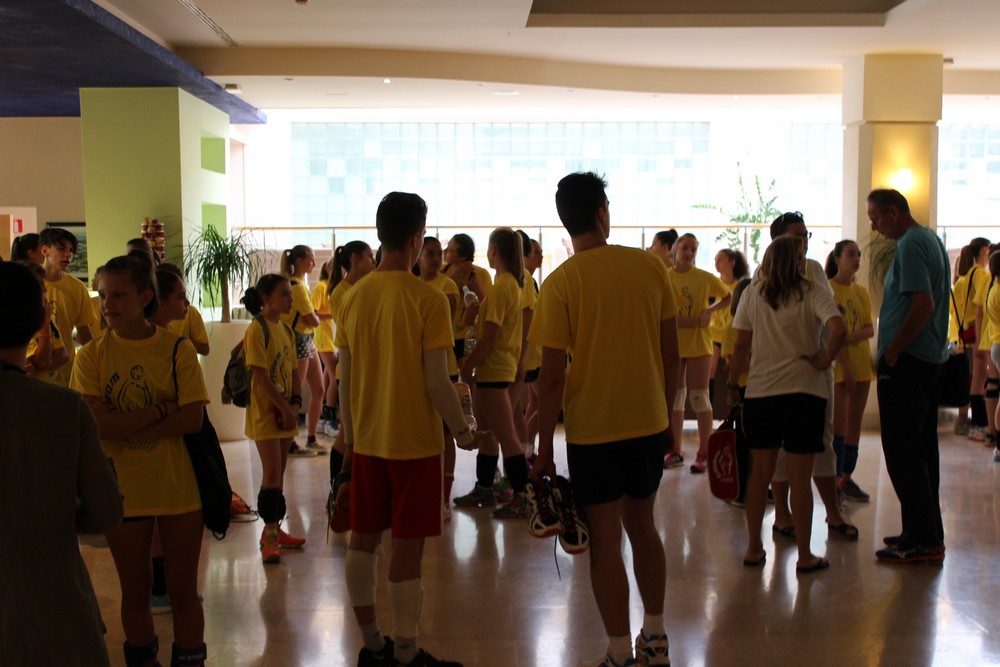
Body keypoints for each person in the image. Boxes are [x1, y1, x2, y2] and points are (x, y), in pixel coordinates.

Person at [530, 173, 679, 667]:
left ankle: (618, 652)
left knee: (606, 540)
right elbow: (671, 355)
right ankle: (654, 640)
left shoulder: (560, 284)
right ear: (601, 214)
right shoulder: (650, 268)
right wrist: (668, 418)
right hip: (647, 421)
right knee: (644, 527)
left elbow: (551, 378)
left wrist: (543, 449)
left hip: (592, 431)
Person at [337, 191, 487, 667]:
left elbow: (345, 379)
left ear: (380, 233)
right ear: (418, 237)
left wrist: (350, 438)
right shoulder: (428, 299)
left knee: (363, 541)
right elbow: (437, 382)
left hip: (368, 441)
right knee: (406, 548)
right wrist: (463, 432)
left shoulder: (352, 298)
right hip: (416, 446)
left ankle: (372, 645)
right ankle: (405, 652)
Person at [70, 255, 209, 667]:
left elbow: (192, 419)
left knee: (183, 592)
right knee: (135, 593)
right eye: (103, 295)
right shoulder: (91, 355)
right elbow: (97, 427)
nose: (107, 305)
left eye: (118, 295)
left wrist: (124, 425)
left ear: (145, 297)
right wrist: (159, 411)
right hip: (122, 492)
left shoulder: (178, 349)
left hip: (178, 488)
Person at [0, 262, 123, 667]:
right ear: (40, 318)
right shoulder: (65, 409)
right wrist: (51, 512)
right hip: (55, 609)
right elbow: (105, 509)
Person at [728, 236, 846, 574]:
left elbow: (740, 345)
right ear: (796, 261)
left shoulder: (753, 293)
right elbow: (838, 329)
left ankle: (754, 548)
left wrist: (733, 385)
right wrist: (824, 359)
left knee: (759, 475)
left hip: (761, 394)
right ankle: (805, 555)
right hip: (805, 394)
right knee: (799, 477)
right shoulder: (813, 291)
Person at [867, 188, 950, 564]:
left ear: (895, 212)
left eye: (876, 218)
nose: (875, 227)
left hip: (910, 361)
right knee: (921, 450)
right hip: (927, 359)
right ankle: (921, 531)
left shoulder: (912, 244)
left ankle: (924, 539)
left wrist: (894, 350)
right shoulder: (929, 239)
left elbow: (923, 304)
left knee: (903, 452)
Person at [764, 213, 856, 541]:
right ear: (778, 240)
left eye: (806, 235)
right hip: (776, 374)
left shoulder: (814, 270)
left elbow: (832, 323)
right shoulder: (765, 274)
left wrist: (829, 359)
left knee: (823, 442)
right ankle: (783, 514)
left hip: (815, 373)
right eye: (796, 235)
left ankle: (833, 512)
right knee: (780, 448)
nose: (803, 241)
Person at [455, 228, 531, 519]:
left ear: (495, 250)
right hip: (495, 369)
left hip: (495, 369)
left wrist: (467, 366)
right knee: (487, 434)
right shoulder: (507, 285)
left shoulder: (503, 287)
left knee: (506, 435)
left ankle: (523, 496)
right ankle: (485, 488)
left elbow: (490, 336)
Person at [240, 274, 308, 563]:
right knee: (270, 471)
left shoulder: (287, 331)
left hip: (284, 414)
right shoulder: (257, 329)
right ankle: (268, 536)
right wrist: (282, 408)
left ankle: (275, 529)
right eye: (284, 294)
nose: (291, 300)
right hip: (265, 414)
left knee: (278, 474)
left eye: (290, 294)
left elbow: (293, 372)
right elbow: (260, 376)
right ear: (266, 299)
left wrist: (295, 405)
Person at [664, 233, 731, 473]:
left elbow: (728, 297)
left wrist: (709, 311)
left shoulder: (704, 277)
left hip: (699, 345)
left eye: (693, 249)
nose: (689, 253)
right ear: (675, 249)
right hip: (675, 345)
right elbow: (667, 316)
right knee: (676, 398)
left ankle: (704, 451)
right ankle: (675, 449)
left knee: (699, 397)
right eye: (685, 248)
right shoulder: (665, 277)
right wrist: (693, 320)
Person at [325, 240, 375, 530]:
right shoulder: (342, 292)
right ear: (355, 259)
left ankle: (344, 494)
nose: (373, 262)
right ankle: (339, 493)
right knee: (347, 435)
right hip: (350, 372)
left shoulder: (358, 288)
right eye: (369, 256)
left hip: (362, 370)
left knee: (350, 434)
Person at [415, 236, 461, 517]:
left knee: (445, 434)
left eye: (438, 253)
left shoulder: (447, 286)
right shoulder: (413, 286)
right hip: (417, 370)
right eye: (430, 253)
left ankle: (444, 498)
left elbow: (446, 327)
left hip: (446, 368)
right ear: (418, 255)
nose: (435, 259)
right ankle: (425, 492)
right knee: (422, 431)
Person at [825, 240, 875, 502]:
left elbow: (869, 329)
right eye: (851, 254)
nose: (856, 259)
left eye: (858, 255)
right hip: (840, 367)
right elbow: (831, 335)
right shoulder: (828, 289)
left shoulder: (861, 292)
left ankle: (847, 476)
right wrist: (845, 367)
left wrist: (847, 335)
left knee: (856, 420)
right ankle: (834, 479)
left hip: (862, 364)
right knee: (840, 423)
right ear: (837, 258)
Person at [280, 244, 326, 456]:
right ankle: (290, 441)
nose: (314, 264)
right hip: (299, 340)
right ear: (299, 261)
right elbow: (312, 319)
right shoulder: (297, 287)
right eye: (311, 259)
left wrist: (314, 318)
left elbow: (312, 317)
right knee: (295, 392)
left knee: (319, 389)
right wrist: (315, 318)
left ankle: (311, 438)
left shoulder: (299, 285)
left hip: (306, 339)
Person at [40, 227, 96, 386]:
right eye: (61, 249)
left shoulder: (77, 287)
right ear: (44, 250)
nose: (68, 255)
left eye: (71, 251)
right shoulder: (31, 283)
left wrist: (96, 362)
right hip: (35, 367)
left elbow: (84, 332)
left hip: (67, 371)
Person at [951, 238, 992, 439]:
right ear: (984, 250)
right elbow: (981, 308)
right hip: (976, 334)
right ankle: (978, 422)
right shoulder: (980, 275)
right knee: (978, 379)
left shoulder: (961, 280)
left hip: (963, 335)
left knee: (968, 379)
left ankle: (964, 420)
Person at [442, 233, 493, 365]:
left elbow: (489, 307)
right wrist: (454, 277)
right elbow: (438, 298)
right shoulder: (442, 272)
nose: (444, 251)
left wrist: (477, 289)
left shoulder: (481, 274)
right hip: (447, 335)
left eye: (450, 250)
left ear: (462, 257)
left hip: (471, 337)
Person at [19, 260, 70, 379]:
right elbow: (42, 361)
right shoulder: (21, 321)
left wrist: (40, 368)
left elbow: (63, 355)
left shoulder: (45, 317)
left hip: (53, 384)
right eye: (40, 284)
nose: (45, 290)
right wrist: (45, 323)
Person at [709, 249, 748, 390]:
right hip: (714, 333)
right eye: (715, 260)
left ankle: (735, 395)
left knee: (735, 368)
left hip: (732, 333)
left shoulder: (741, 285)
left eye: (720, 260)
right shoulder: (714, 283)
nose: (716, 264)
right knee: (709, 371)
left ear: (732, 262)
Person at [158, 263, 211, 356]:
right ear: (162, 302)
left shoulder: (191, 312)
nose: (187, 302)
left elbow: (205, 349)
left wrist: (182, 343)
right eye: (180, 297)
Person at [311, 259, 338, 436]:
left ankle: (323, 419)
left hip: (331, 338)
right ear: (328, 270)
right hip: (323, 339)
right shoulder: (321, 287)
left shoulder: (331, 288)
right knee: (336, 377)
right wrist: (334, 314)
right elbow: (312, 313)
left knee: (328, 376)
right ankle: (330, 419)